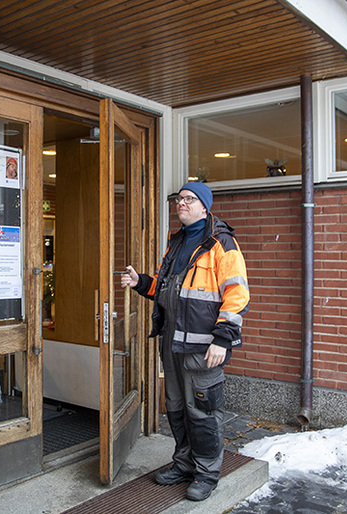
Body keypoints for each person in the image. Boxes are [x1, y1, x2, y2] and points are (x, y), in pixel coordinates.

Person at [121, 181, 249, 501]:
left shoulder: (221, 243)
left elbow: (237, 294)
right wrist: (141, 282)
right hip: (173, 342)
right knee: (176, 408)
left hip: (204, 347)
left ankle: (206, 473)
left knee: (203, 412)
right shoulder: (176, 241)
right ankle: (184, 463)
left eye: (189, 199)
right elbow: (167, 288)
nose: (181, 204)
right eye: (179, 199)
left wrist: (223, 340)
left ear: (204, 206)